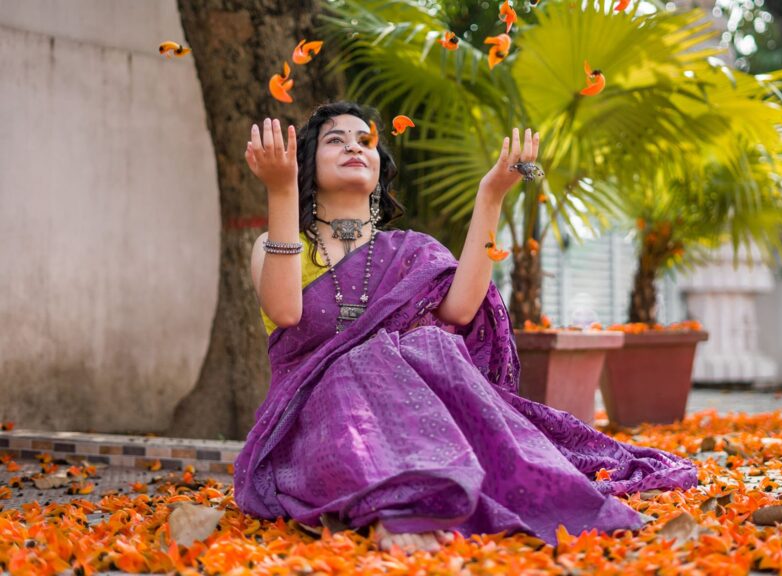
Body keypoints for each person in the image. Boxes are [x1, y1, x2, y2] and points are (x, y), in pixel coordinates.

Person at [232, 101, 697, 553]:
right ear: (307, 165)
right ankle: (399, 507)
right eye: (336, 140)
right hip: (314, 417)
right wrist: (281, 191)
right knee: (356, 363)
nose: (355, 146)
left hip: (411, 413)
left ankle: (437, 492)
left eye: (366, 140)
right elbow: (286, 312)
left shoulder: (412, 251)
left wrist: (491, 194)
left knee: (431, 344)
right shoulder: (276, 245)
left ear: (378, 169)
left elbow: (459, 310)